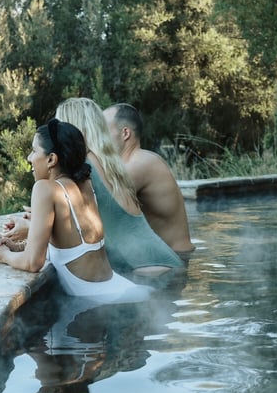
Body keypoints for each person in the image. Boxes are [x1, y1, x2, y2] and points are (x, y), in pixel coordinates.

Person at [0, 118, 148, 300]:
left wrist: (4, 255)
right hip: (124, 290)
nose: (29, 158)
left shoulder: (45, 189)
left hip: (103, 301)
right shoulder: (85, 184)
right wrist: (16, 246)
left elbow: (33, 263)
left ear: (51, 159)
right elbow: (67, 242)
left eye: (33, 151)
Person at [54, 97, 183, 273]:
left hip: (150, 270)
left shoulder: (85, 167)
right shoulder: (106, 162)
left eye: (60, 126)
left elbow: (74, 229)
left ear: (72, 128)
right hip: (162, 264)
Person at [103, 103, 195, 260]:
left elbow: (101, 204)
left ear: (125, 133)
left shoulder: (141, 163)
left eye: (103, 130)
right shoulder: (137, 161)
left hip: (174, 262)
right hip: (165, 258)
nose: (99, 137)